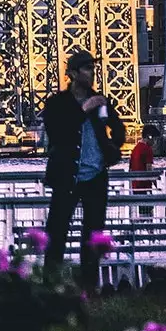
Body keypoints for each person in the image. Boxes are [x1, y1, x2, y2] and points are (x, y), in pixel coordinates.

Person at [41, 50, 126, 288]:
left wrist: (112, 147)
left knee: (93, 236)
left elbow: (118, 128)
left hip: (96, 176)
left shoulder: (100, 100)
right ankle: (50, 286)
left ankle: (88, 288)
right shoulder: (56, 103)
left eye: (93, 68)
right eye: (87, 68)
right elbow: (57, 134)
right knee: (56, 234)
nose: (92, 73)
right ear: (72, 74)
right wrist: (83, 110)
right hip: (67, 177)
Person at [129, 124, 160, 220]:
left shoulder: (135, 148)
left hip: (135, 187)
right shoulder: (147, 149)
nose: (155, 142)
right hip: (145, 186)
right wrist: (157, 185)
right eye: (154, 139)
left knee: (141, 212)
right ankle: (149, 233)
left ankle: (140, 232)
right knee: (148, 214)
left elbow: (130, 169)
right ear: (149, 137)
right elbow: (149, 169)